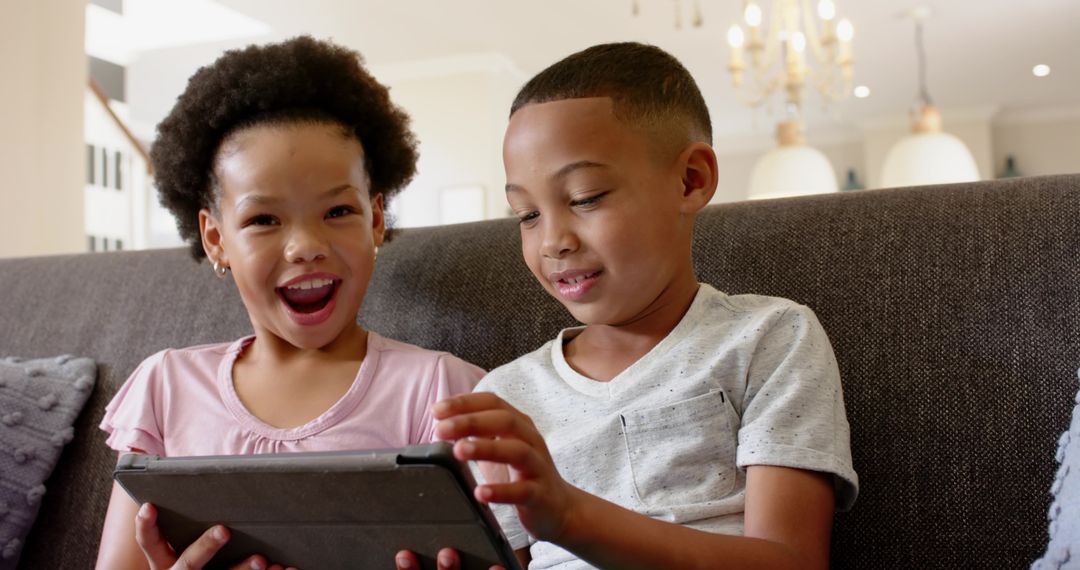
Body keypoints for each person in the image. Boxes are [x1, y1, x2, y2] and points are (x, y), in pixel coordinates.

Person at [396, 42, 859, 570]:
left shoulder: (771, 338)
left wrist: (572, 516)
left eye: (586, 197)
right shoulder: (504, 396)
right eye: (526, 214)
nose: (553, 241)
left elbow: (791, 561)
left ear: (691, 180)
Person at [95, 36, 485, 570]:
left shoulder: (444, 393)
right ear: (216, 239)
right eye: (264, 220)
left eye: (337, 211)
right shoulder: (166, 388)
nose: (306, 246)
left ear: (376, 219)